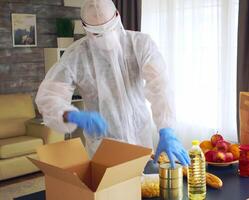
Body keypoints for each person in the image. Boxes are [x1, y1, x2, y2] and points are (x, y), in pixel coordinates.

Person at [35, 0, 190, 168]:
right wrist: (71, 115)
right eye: (97, 34)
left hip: (141, 142)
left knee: (144, 189)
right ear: (85, 27)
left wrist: (166, 129)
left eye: (109, 29)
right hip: (103, 147)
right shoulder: (76, 56)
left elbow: (160, 85)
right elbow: (49, 98)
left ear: (118, 16)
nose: (106, 38)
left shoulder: (140, 44)